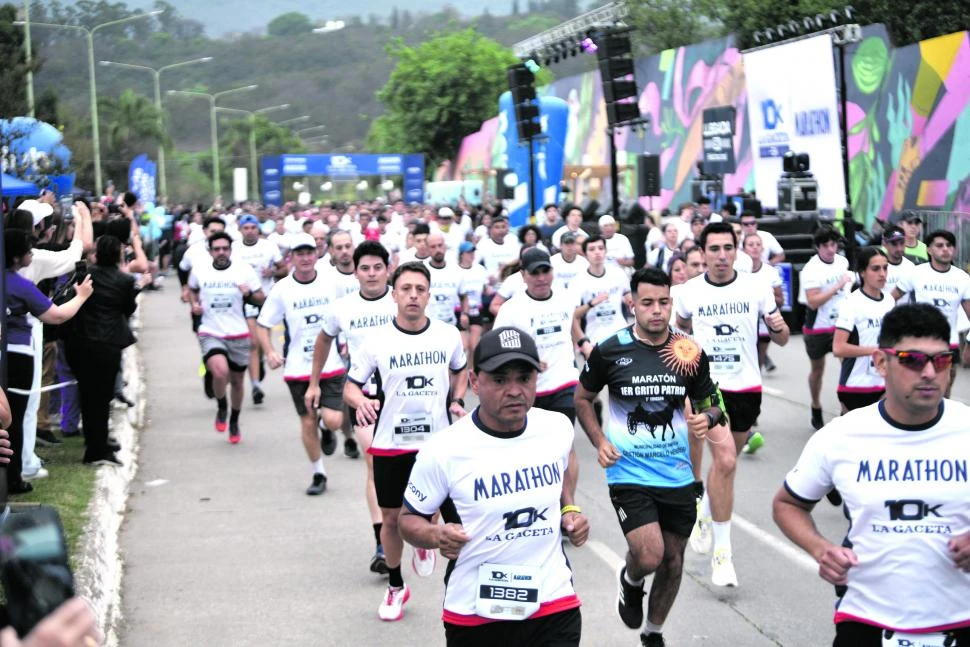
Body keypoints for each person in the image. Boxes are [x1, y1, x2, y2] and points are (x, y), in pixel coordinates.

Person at [772, 303, 970, 647]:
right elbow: (787, 503)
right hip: (866, 620)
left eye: (941, 360)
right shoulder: (841, 436)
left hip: (960, 618)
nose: (929, 372)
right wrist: (821, 549)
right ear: (881, 362)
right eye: (912, 359)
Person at [399, 326, 588, 645]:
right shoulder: (444, 449)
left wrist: (569, 509)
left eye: (524, 378)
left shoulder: (555, 427)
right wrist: (435, 534)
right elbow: (407, 520)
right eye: (500, 380)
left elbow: (563, 466)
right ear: (474, 382)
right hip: (476, 612)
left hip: (553, 601)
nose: (515, 390)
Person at [576, 267, 723, 647]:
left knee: (674, 562)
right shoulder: (611, 350)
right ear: (633, 304)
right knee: (651, 554)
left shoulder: (688, 352)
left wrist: (706, 418)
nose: (656, 310)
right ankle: (631, 578)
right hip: (628, 473)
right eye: (647, 303)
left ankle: (653, 632)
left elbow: (713, 403)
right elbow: (582, 398)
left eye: (663, 302)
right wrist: (598, 440)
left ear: (671, 303)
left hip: (677, 474)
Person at [343, 261, 468, 621]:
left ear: (429, 295)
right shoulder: (377, 341)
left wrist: (456, 400)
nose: (413, 295)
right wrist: (361, 401)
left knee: (455, 518)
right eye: (406, 289)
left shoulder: (447, 335)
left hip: (439, 445)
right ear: (394, 294)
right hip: (391, 444)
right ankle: (396, 585)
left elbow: (460, 370)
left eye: (420, 289)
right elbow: (352, 386)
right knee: (393, 519)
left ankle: (457, 585)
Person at [675, 222, 790, 587]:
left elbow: (783, 339)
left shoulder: (756, 287)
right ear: (703, 253)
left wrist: (777, 326)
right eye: (714, 249)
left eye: (728, 248)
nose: (722, 256)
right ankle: (723, 555)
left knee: (727, 464)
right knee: (724, 461)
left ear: (736, 250)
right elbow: (677, 333)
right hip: (708, 387)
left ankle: (705, 514)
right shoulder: (689, 291)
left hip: (747, 387)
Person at [306, 241, 396, 572]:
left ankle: (418, 526)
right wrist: (315, 383)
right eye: (365, 268)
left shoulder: (404, 299)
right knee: (375, 461)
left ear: (388, 269)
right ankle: (382, 544)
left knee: (417, 466)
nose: (371, 274)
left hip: (407, 399)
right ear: (355, 272)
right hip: (364, 396)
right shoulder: (342, 307)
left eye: (377, 267)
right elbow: (324, 339)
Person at [4, 230, 93, 492]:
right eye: (29, 250)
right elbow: (55, 315)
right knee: (14, 420)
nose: (33, 253)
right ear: (17, 257)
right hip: (17, 357)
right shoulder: (20, 286)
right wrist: (82, 296)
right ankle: (13, 478)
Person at [255, 233, 342, 495]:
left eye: (309, 252)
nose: (305, 258)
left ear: (316, 255)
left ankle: (327, 429)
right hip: (297, 367)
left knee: (334, 419)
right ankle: (319, 473)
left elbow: (346, 314)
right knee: (306, 421)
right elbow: (262, 324)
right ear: (291, 258)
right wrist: (269, 351)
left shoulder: (331, 283)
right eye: (299, 254)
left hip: (331, 364)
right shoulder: (282, 289)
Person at [64, 235, 140, 467]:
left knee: (88, 395)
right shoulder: (125, 281)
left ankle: (95, 443)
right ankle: (97, 449)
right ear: (118, 253)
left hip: (81, 344)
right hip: (107, 345)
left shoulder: (85, 275)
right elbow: (129, 308)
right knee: (102, 397)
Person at [187, 231, 264, 444]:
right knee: (219, 372)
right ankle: (222, 406)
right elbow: (192, 289)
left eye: (225, 249)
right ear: (210, 251)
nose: (221, 252)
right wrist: (194, 304)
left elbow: (261, 299)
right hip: (211, 331)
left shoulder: (243, 270)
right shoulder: (200, 270)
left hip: (238, 332)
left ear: (230, 250)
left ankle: (234, 420)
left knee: (238, 381)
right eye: (217, 249)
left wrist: (248, 293)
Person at [892, 229, 970, 397]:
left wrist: (969, 343)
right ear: (929, 250)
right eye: (940, 245)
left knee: (945, 386)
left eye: (949, 246)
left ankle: (939, 419)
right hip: (919, 340)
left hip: (949, 341)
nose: (945, 249)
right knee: (917, 385)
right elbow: (890, 299)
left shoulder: (962, 278)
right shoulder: (916, 273)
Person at [799, 228, 853, 430]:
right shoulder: (811, 270)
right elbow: (813, 302)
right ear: (818, 247)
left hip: (841, 324)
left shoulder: (843, 262)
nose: (831, 249)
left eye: (833, 245)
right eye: (826, 246)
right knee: (817, 370)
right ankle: (815, 405)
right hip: (818, 327)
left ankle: (846, 410)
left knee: (848, 365)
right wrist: (837, 286)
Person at [833, 247, 894, 412]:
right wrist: (877, 351)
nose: (882, 273)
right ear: (862, 273)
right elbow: (838, 348)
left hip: (884, 385)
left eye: (885, 267)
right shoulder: (852, 303)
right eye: (876, 268)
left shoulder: (889, 301)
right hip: (856, 386)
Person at [234, 213, 286, 406]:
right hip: (246, 299)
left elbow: (284, 269)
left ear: (258, 229)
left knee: (263, 340)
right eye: (246, 228)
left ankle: (261, 362)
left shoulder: (269, 247)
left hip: (266, 299)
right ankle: (256, 385)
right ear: (240, 230)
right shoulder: (233, 249)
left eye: (253, 228)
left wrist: (271, 272)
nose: (249, 231)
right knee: (252, 342)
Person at [572, 235, 631, 349]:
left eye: (600, 248)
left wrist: (630, 300)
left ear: (605, 251)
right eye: (592, 249)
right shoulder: (578, 281)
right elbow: (573, 315)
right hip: (595, 339)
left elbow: (629, 297)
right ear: (584, 254)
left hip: (622, 335)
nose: (597, 252)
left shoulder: (618, 273)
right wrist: (591, 303)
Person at [743, 233, 784, 373]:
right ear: (743, 249)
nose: (754, 248)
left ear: (763, 249)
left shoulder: (771, 272)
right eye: (750, 245)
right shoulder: (738, 272)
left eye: (758, 244)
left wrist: (767, 299)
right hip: (744, 323)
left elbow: (780, 300)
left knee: (758, 364)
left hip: (764, 324)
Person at [425, 232, 467, 328]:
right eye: (433, 247)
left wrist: (465, 314)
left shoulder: (456, 270)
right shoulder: (422, 270)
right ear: (427, 249)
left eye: (440, 245)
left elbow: (464, 296)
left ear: (445, 247)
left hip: (451, 324)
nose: (438, 250)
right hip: (428, 326)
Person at [456, 241, 487, 370]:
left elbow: (485, 288)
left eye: (472, 252)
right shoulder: (454, 270)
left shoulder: (480, 269)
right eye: (468, 252)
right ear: (462, 255)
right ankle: (459, 371)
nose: (471, 255)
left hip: (476, 310)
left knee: (475, 346)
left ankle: (470, 373)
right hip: (459, 311)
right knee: (464, 346)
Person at [879, 225, 914, 297]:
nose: (899, 249)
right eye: (894, 244)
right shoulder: (877, 267)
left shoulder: (911, 266)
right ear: (885, 244)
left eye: (902, 243)